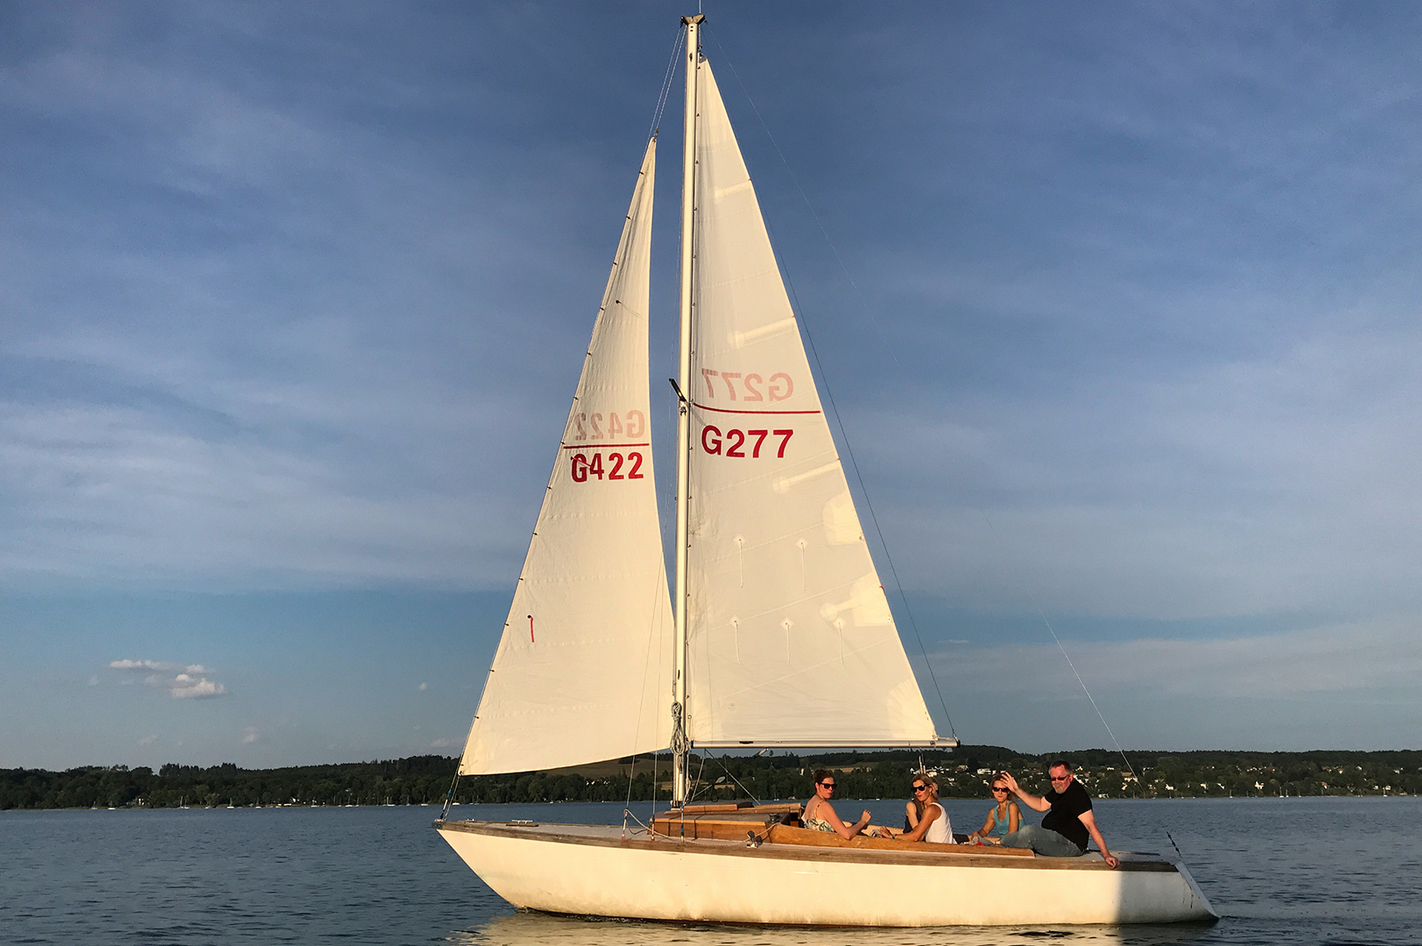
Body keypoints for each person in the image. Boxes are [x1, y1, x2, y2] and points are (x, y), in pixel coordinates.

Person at [998, 761, 1119, 868]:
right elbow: (1040, 805)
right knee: (1011, 837)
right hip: (1054, 839)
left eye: (1060, 778)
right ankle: (995, 845)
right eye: (1053, 779)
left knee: (1028, 832)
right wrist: (1017, 790)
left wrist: (1106, 854)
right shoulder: (1058, 790)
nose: (1056, 782)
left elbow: (1091, 825)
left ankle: (1003, 849)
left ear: (1070, 777)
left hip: (1071, 846)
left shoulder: (1077, 795)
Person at [803, 769, 872, 839]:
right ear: (817, 785)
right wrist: (863, 821)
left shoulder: (811, 802)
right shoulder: (824, 806)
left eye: (833, 786)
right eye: (826, 786)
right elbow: (847, 834)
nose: (830, 789)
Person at [894, 775, 952, 843]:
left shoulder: (932, 809)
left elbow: (916, 837)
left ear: (930, 788)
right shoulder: (931, 807)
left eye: (921, 788)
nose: (917, 792)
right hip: (936, 849)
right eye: (914, 789)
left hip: (942, 850)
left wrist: (892, 836)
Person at [968, 777, 1022, 845]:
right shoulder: (993, 812)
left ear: (1008, 791)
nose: (1000, 792)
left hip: (1017, 844)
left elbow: (1012, 833)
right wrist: (977, 834)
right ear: (993, 791)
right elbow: (985, 831)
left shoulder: (1012, 807)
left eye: (1004, 789)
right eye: (996, 789)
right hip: (1003, 844)